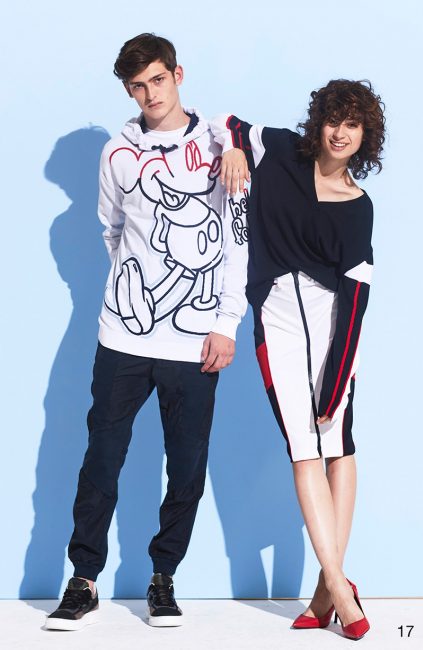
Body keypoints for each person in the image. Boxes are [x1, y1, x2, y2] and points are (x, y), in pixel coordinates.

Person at [46, 33, 248, 631]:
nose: (150, 94)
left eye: (158, 79)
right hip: (124, 338)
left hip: (196, 339)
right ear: (128, 91)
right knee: (100, 460)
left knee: (186, 466)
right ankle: (83, 580)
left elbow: (237, 242)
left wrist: (225, 323)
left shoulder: (222, 147)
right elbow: (113, 231)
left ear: (178, 75)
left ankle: (164, 578)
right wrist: (139, 287)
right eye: (137, 86)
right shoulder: (116, 154)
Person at [212, 79, 385, 641]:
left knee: (338, 444)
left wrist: (335, 383)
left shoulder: (359, 207)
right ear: (320, 122)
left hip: (333, 328)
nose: (340, 133)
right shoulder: (283, 149)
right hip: (278, 317)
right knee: (302, 447)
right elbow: (227, 124)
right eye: (334, 120)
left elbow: (356, 301)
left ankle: (326, 589)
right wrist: (234, 148)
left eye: (353, 125)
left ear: (365, 135)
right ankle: (339, 585)